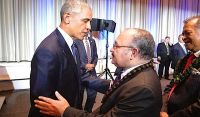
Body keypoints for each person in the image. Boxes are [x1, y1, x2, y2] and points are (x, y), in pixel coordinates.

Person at [34, 28, 162, 117]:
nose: (111, 49)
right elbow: (115, 86)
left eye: (116, 46)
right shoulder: (138, 73)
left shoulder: (142, 89)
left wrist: (65, 111)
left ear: (133, 53)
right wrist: (78, 76)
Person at [28, 1, 93, 117]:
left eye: (90, 22)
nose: (89, 27)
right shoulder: (48, 51)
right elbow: (42, 103)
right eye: (85, 21)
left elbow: (77, 77)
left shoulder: (74, 44)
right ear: (67, 18)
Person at [161, 16, 200, 117]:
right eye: (183, 34)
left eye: (187, 33)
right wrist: (163, 109)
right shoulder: (185, 60)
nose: (183, 37)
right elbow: (172, 85)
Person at [75, 32, 98, 112]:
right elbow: (75, 58)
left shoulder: (92, 41)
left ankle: (88, 111)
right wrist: (84, 66)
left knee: (93, 93)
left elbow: (95, 56)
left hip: (92, 72)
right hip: (80, 73)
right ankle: (79, 111)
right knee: (79, 94)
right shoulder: (75, 41)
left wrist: (93, 65)